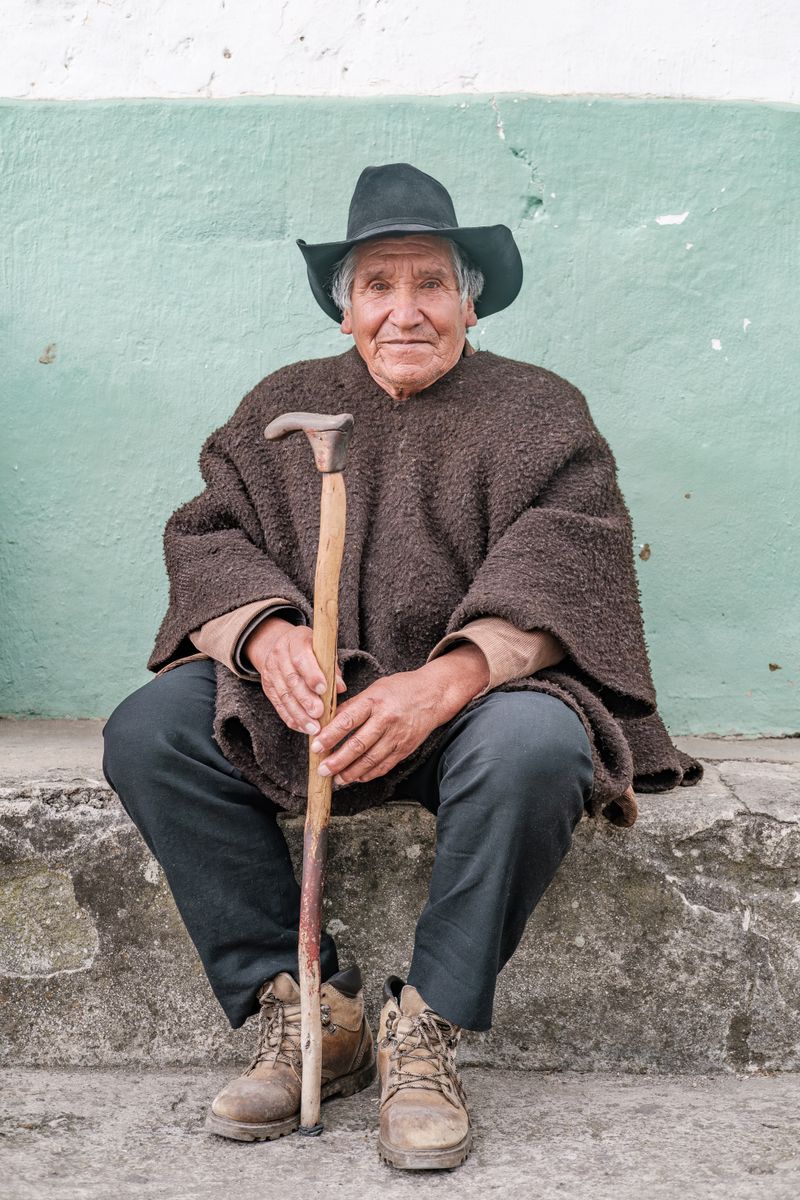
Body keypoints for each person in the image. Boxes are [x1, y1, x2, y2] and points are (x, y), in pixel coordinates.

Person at [102, 163, 701, 1171]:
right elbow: (206, 537)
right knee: (149, 729)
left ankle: (421, 1028)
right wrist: (262, 636)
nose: (405, 310)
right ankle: (307, 1012)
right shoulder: (279, 405)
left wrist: (446, 681)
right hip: (314, 709)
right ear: (346, 313)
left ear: (469, 300)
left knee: (539, 745)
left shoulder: (539, 412)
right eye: (377, 287)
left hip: (471, 711)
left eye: (430, 283)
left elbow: (568, 556)